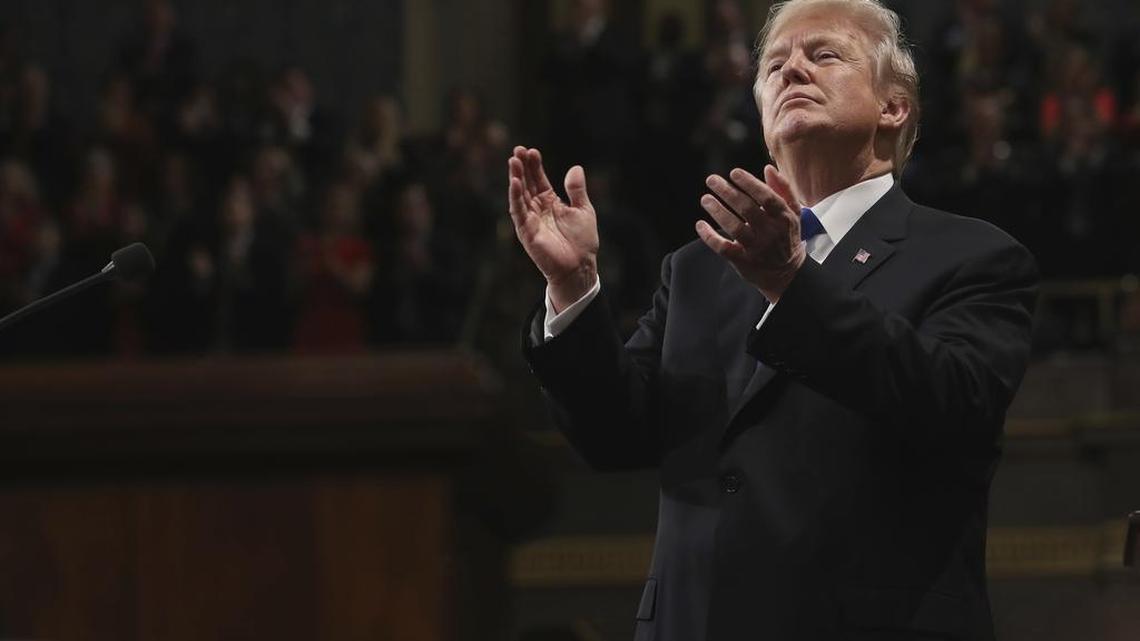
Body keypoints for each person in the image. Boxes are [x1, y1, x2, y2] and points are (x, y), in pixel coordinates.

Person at [506, 0, 1038, 639]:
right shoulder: (698, 270)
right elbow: (616, 435)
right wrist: (573, 286)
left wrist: (792, 284)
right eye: (775, 65)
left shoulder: (970, 255)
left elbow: (955, 402)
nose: (791, 72)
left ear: (893, 106)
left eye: (823, 55)